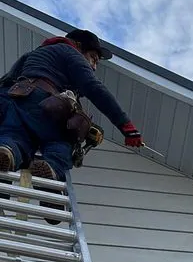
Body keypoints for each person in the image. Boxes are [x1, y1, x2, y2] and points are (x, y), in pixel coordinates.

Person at [0, 28, 143, 185]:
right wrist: (127, 126)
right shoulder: (70, 52)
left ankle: (7, 150)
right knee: (64, 139)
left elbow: (6, 81)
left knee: (15, 136)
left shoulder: (34, 55)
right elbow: (93, 87)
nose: (94, 66)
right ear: (78, 46)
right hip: (45, 104)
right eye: (93, 58)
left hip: (19, 97)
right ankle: (51, 165)